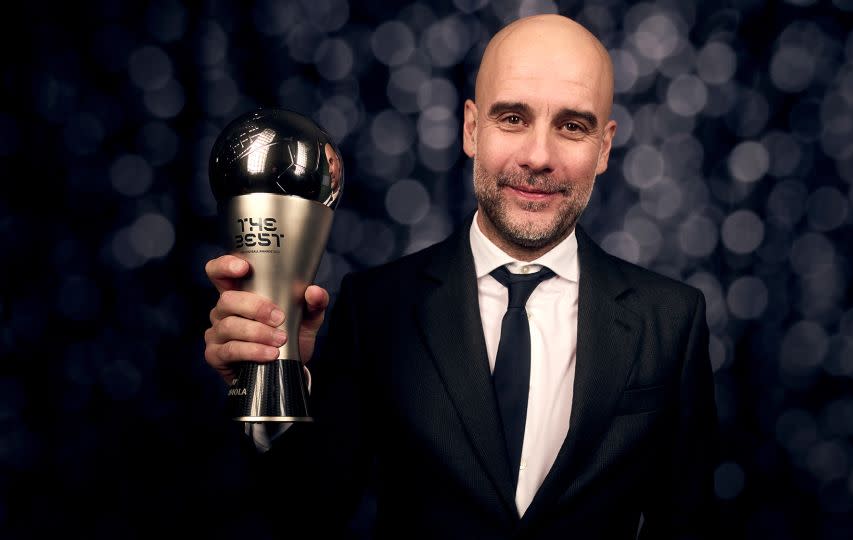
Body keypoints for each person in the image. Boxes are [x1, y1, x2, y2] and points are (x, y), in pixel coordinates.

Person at [204, 14, 717, 540]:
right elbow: (307, 514)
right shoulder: (376, 309)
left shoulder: (672, 320)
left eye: (572, 126)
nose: (538, 157)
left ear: (604, 148)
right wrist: (268, 378)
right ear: (472, 128)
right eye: (513, 118)